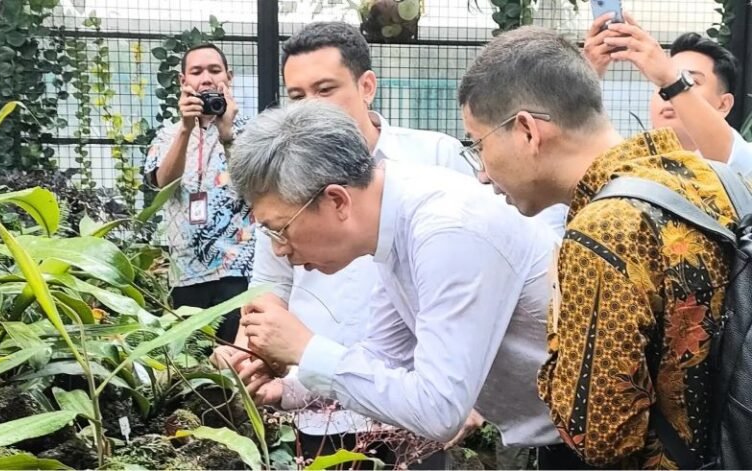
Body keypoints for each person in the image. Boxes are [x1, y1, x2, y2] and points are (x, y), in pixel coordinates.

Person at [212, 21, 492, 467]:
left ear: (366, 86)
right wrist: (255, 350)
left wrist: (472, 396)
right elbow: (269, 287)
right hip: (320, 398)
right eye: (297, 96)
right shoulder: (281, 181)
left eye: (325, 90)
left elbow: (477, 286)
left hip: (412, 400)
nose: (310, 108)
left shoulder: (434, 161)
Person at [458, 26, 740, 468]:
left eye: (478, 144)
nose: (483, 172)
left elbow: (600, 437)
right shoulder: (709, 178)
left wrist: (558, 337)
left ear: (528, 131)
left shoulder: (602, 232)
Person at [225, 100, 561, 453]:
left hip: (594, 441)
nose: (280, 251)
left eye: (280, 230)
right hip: (560, 430)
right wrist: (287, 390)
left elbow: (439, 410)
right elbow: (385, 354)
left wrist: (305, 348)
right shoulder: (395, 216)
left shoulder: (445, 231)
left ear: (337, 201)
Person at [145, 43, 254, 342]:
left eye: (214, 70)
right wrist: (185, 129)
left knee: (239, 364)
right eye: (196, 71)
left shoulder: (254, 131)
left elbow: (258, 190)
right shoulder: (167, 135)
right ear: (183, 81)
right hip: (186, 272)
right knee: (194, 372)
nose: (205, 78)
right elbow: (163, 189)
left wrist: (228, 135)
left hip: (240, 269)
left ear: (228, 77)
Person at [584, 12, 752, 176]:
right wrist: (584, 76)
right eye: (659, 84)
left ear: (723, 105)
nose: (667, 95)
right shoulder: (622, 168)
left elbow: (737, 160)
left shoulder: (744, 166)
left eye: (689, 80)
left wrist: (671, 81)